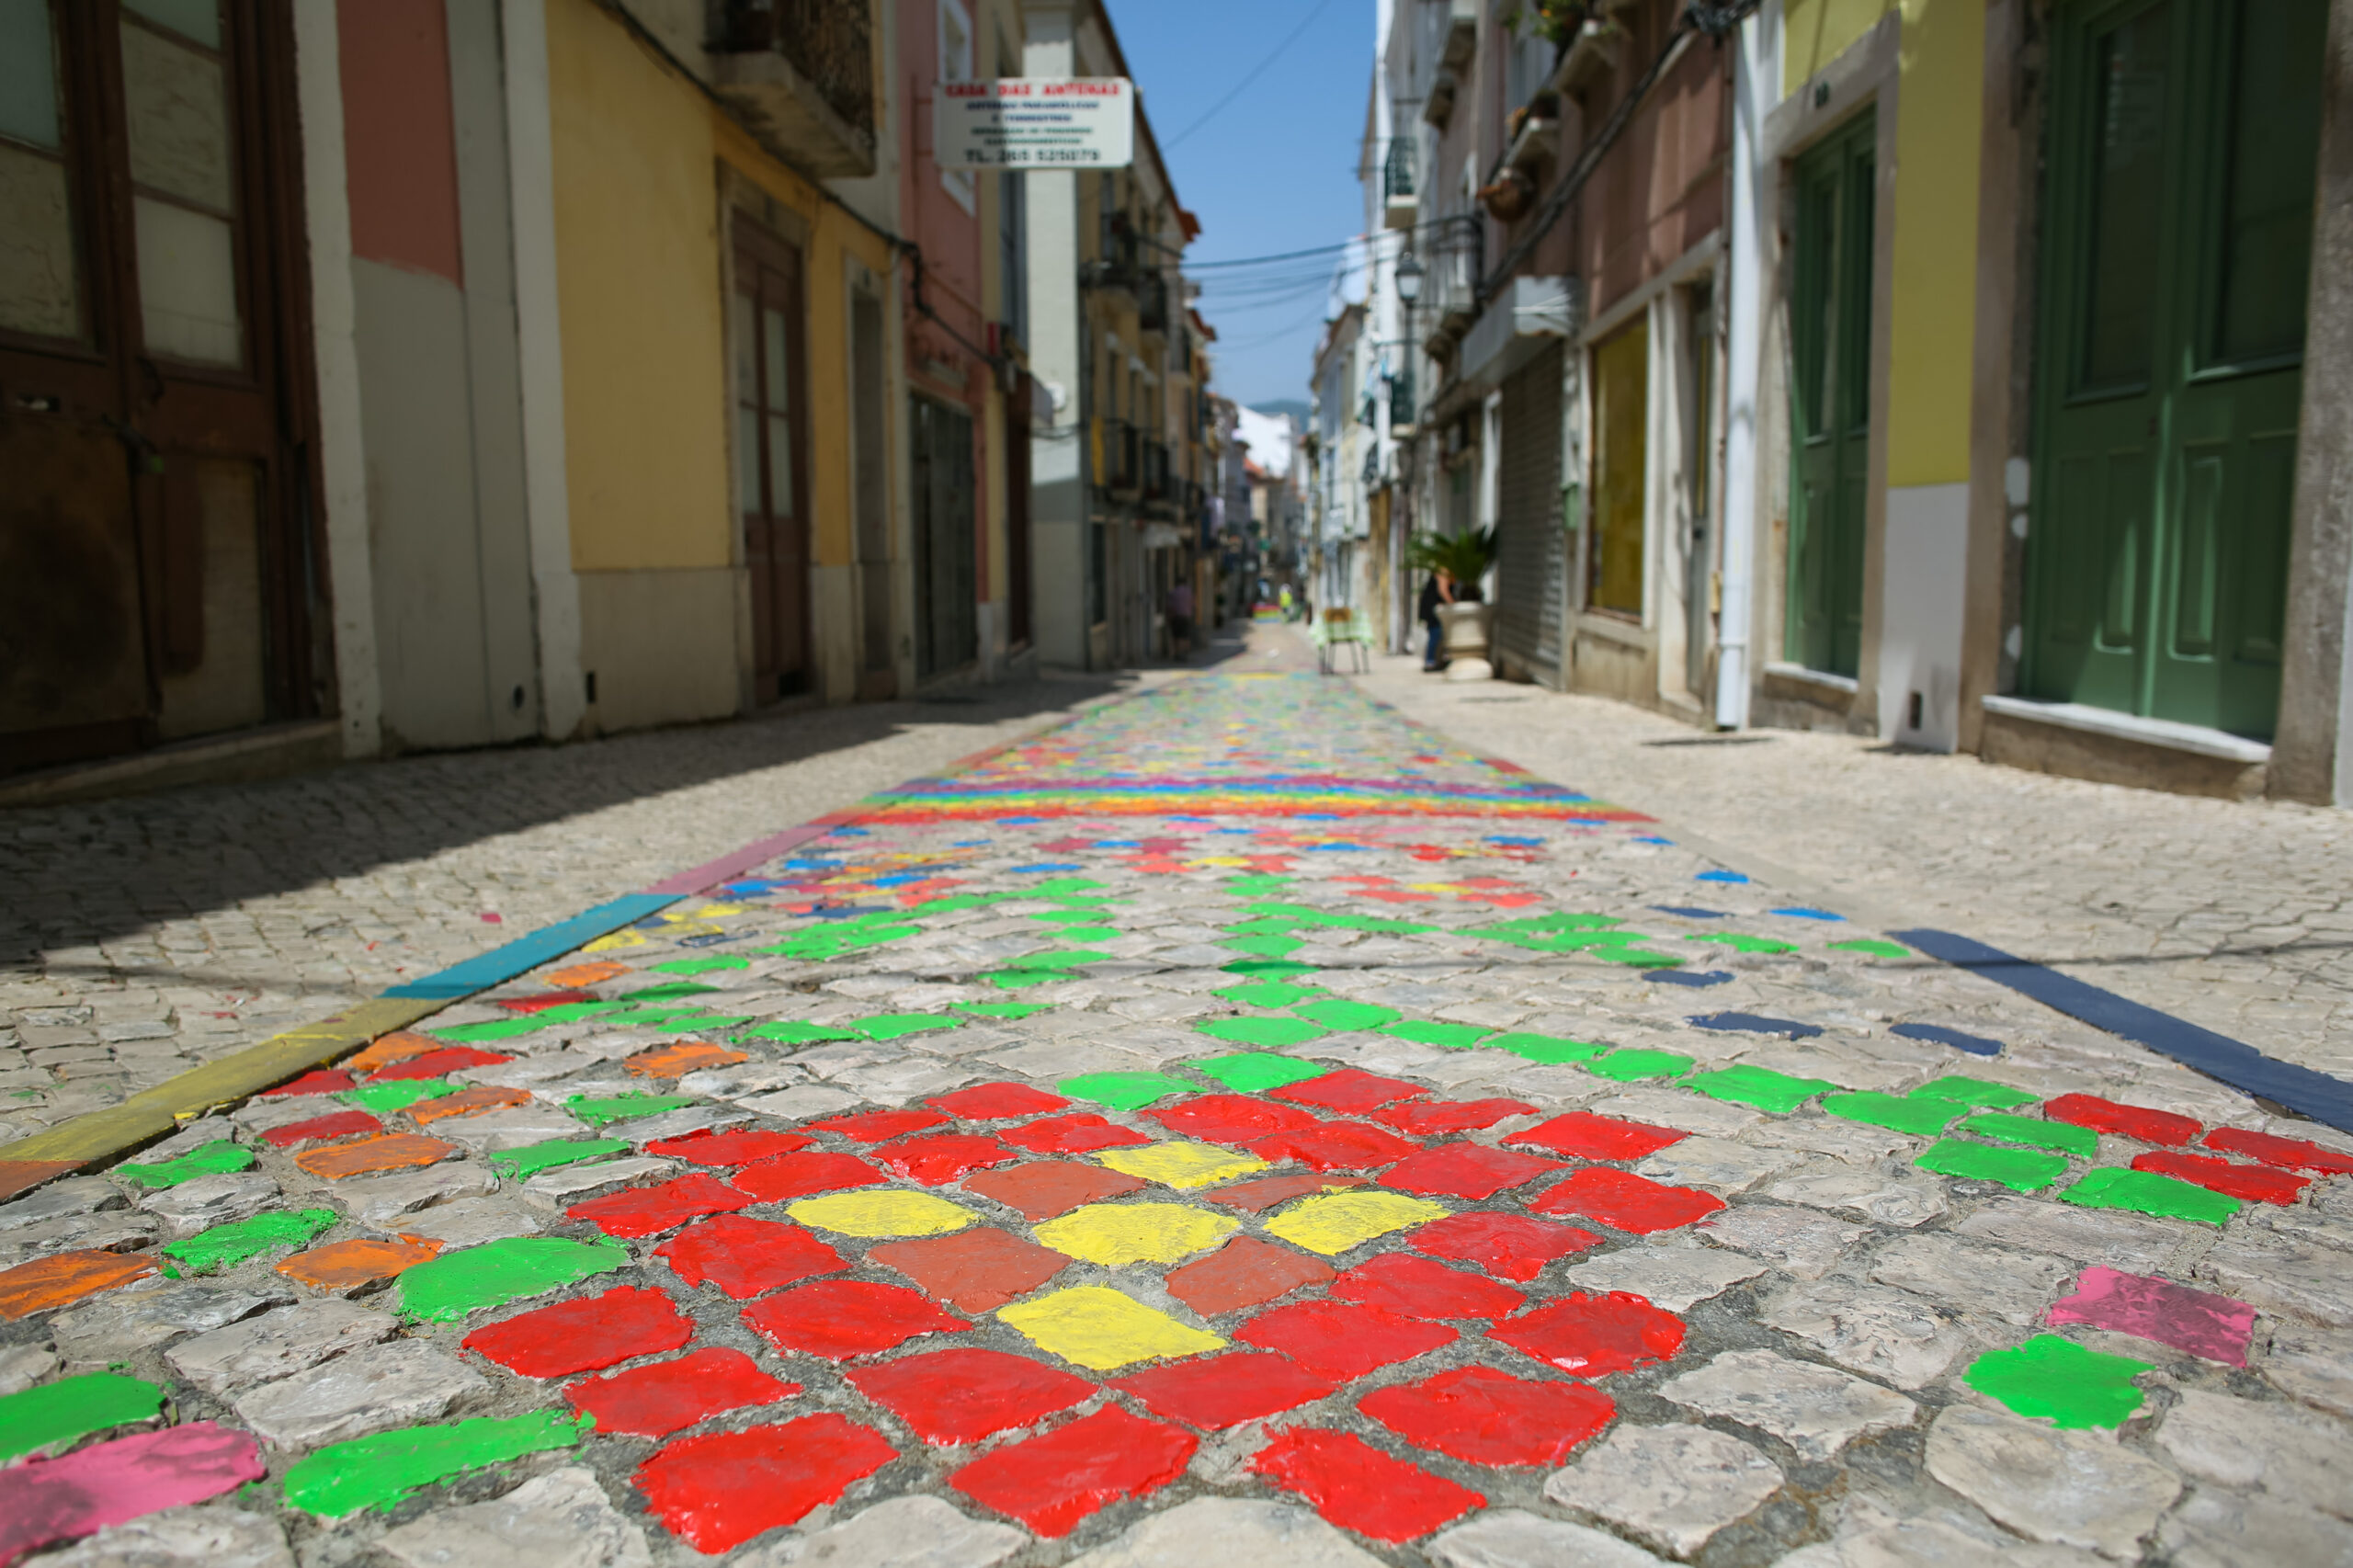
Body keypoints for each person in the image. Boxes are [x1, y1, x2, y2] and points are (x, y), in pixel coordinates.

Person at [1419, 567, 1455, 671]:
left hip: (1434, 607)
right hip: (1434, 609)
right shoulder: (1444, 570)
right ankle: (1430, 661)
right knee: (1435, 633)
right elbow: (1443, 590)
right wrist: (1453, 604)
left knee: (1435, 634)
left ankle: (1433, 660)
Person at [1165, 579, 1195, 660]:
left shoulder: (1173, 592)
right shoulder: (1189, 592)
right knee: (1185, 636)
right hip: (1186, 617)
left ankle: (1178, 654)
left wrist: (1169, 618)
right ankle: (1185, 653)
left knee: (1177, 636)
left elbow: (1170, 607)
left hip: (1177, 617)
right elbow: (1193, 604)